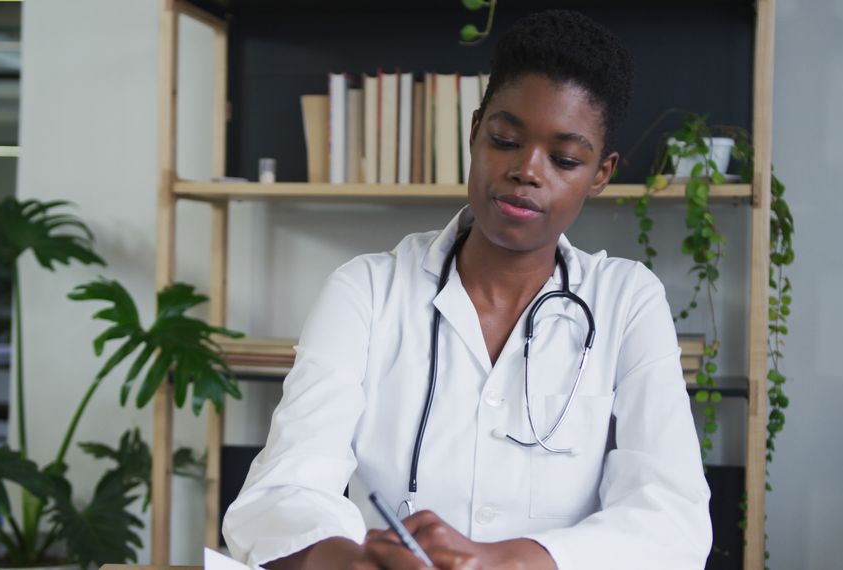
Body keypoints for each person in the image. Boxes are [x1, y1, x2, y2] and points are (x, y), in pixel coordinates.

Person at [222, 9, 712, 570]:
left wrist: (507, 560)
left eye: (565, 159)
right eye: (505, 139)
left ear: (600, 174)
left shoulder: (626, 301)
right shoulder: (367, 290)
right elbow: (281, 491)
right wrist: (346, 560)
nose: (527, 171)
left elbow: (673, 519)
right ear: (475, 129)